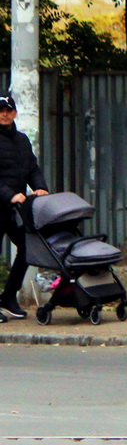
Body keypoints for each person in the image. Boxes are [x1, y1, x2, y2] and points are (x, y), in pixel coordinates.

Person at [0, 94, 50, 320]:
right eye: (1, 110)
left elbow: (32, 168)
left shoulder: (21, 140)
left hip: (15, 210)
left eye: (8, 110)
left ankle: (9, 297)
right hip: (5, 203)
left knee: (28, 249)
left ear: (15, 113)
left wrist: (40, 188)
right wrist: (10, 195)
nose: (5, 114)